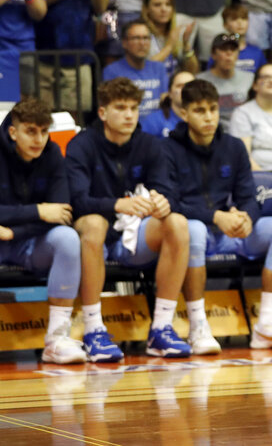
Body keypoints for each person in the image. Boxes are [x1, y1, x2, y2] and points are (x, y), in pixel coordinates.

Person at [166, 79, 272, 354]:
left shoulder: (233, 146)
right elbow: (172, 202)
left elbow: (249, 196)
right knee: (191, 229)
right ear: (184, 113)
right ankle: (198, 327)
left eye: (212, 109)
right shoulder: (167, 149)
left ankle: (267, 325)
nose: (208, 117)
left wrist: (247, 218)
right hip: (199, 234)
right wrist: (215, 216)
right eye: (199, 110)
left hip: (231, 231)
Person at [67, 78, 193, 361]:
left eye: (134, 108)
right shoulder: (82, 145)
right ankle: (93, 330)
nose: (128, 115)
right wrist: (117, 204)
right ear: (102, 113)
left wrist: (164, 201)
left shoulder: (150, 144)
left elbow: (169, 188)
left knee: (177, 222)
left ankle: (161, 328)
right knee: (94, 222)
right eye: (120, 108)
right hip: (94, 236)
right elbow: (76, 201)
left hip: (135, 235)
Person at [0, 98, 85, 364]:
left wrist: (15, 231)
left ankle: (57, 339)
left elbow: (60, 213)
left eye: (44, 131)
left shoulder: (52, 156)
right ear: (13, 132)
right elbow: (46, 212)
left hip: (26, 242)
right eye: (31, 131)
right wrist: (39, 210)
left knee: (68, 238)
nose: (39, 139)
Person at [102, 19, 169, 116]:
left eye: (146, 38)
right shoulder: (112, 71)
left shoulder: (159, 68)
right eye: (136, 38)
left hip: (157, 128)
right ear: (124, 43)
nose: (142, 43)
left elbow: (165, 104)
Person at [196, 32, 255, 121]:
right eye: (223, 49)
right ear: (213, 54)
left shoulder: (249, 78)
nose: (229, 53)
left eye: (233, 49)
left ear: (238, 54)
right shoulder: (200, 81)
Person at [141, 69, 195, 137]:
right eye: (179, 86)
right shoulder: (153, 121)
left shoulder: (204, 119)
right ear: (170, 93)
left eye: (190, 86)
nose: (185, 90)